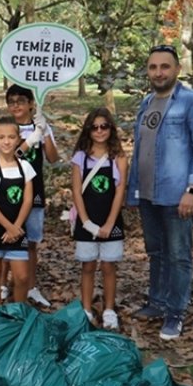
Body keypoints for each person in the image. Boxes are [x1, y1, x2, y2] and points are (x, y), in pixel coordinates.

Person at [127, 44, 193, 341]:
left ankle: (175, 311)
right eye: (153, 67)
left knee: (178, 255)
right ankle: (157, 301)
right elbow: (141, 147)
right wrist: (133, 190)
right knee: (156, 252)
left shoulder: (192, 103)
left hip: (178, 193)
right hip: (148, 193)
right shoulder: (147, 103)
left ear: (177, 70)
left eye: (165, 67)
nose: (158, 72)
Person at [0, 84, 58, 307]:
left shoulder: (41, 127)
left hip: (34, 190)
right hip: (9, 191)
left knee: (32, 241)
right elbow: (9, 156)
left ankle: (31, 286)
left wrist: (44, 133)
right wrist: (31, 138)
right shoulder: (6, 128)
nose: (16, 105)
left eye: (21, 101)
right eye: (11, 101)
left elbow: (52, 158)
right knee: (8, 237)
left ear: (31, 104)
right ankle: (5, 284)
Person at [70, 108, 127, 330]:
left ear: (111, 129)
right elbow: (76, 191)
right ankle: (85, 308)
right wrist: (86, 223)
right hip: (87, 220)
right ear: (88, 130)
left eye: (104, 126)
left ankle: (109, 309)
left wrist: (110, 223)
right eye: (94, 127)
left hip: (110, 220)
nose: (99, 131)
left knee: (109, 266)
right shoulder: (80, 158)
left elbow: (120, 190)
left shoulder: (119, 157)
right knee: (87, 265)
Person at [0, 116, 35, 305]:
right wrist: (7, 226)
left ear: (18, 139)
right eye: (1, 137)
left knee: (22, 276)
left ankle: (18, 311)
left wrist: (16, 227)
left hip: (18, 229)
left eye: (11, 137)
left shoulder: (25, 167)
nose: (6, 141)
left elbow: (27, 200)